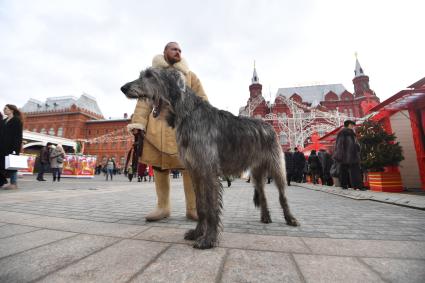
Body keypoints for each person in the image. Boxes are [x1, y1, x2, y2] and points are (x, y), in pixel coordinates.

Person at [128, 42, 208, 221]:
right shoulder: (152, 76)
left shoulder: (190, 76)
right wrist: (138, 124)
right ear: (164, 52)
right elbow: (143, 102)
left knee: (190, 168)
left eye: (180, 50)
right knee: (158, 167)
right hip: (156, 130)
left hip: (184, 130)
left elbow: (202, 99)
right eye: (174, 49)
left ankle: (194, 209)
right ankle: (163, 207)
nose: (178, 52)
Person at [333, 120, 365, 190]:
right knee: (351, 171)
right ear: (349, 125)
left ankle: (350, 186)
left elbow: (354, 144)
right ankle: (354, 186)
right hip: (347, 155)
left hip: (349, 155)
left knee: (348, 171)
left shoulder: (350, 133)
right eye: (352, 125)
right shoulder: (344, 132)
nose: (353, 127)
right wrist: (340, 155)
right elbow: (339, 145)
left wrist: (357, 147)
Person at [0, 104, 23, 190]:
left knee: (12, 164)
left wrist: (15, 149)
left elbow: (18, 136)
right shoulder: (3, 121)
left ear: (11, 110)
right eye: (4, 109)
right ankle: (2, 182)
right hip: (2, 147)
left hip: (11, 147)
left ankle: (13, 184)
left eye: (6, 108)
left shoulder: (16, 121)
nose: (4, 110)